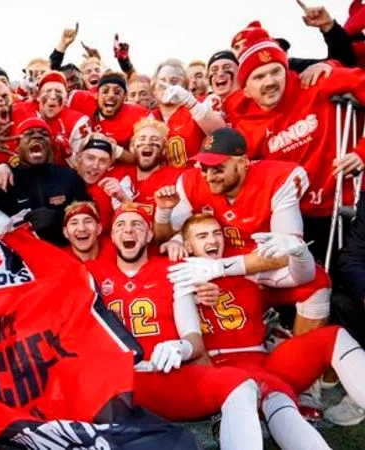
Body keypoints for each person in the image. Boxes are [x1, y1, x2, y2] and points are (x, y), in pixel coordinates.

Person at [89, 203, 264, 450]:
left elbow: (195, 341)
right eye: (121, 225)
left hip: (166, 377)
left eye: (137, 224)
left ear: (149, 235)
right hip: (117, 386)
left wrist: (180, 347)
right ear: (112, 236)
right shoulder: (90, 273)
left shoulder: (173, 270)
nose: (128, 230)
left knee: (241, 384)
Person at [181, 213, 365, 431]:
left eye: (217, 233)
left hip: (263, 362)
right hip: (219, 370)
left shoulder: (243, 268)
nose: (212, 240)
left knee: (333, 336)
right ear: (187, 245)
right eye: (202, 236)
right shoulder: (174, 275)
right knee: (268, 398)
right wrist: (189, 298)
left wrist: (300, 253)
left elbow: (305, 278)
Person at [155, 128, 330, 337]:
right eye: (204, 168)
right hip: (217, 260)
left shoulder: (276, 178)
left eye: (218, 169)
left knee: (317, 285)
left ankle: (301, 353)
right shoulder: (191, 181)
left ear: (244, 162)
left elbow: (284, 252)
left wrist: (219, 268)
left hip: (260, 264)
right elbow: (164, 237)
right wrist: (164, 214)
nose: (209, 177)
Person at [227, 28, 365, 261]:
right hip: (297, 215)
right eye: (259, 77)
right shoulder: (246, 126)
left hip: (347, 202)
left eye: (276, 72)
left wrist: (362, 152)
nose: (270, 82)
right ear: (246, 90)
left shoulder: (316, 81)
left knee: (350, 272)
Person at [0, 116, 90, 245]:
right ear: (17, 146)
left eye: (44, 134)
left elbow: (89, 217)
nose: (37, 136)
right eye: (29, 134)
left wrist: (58, 219)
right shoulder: (3, 179)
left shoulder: (69, 177)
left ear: (50, 144)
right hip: (17, 257)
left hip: (62, 254)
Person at [151, 58, 226, 167]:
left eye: (174, 82)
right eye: (162, 81)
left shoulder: (203, 103)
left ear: (185, 87)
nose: (168, 86)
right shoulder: (148, 117)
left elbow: (221, 133)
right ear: (154, 90)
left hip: (196, 174)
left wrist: (192, 104)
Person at [104, 118, 184, 211]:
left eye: (154, 139)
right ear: (132, 147)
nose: (147, 142)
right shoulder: (116, 174)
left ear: (164, 150)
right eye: (142, 138)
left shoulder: (177, 177)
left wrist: (124, 200)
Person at [68, 70, 149, 150]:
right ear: (96, 94)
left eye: (117, 92)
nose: (111, 95)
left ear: (124, 97)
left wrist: (114, 149)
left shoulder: (138, 115)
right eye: (105, 91)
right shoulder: (79, 99)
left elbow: (139, 155)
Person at [25, 71, 90, 166]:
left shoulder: (78, 122)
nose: (53, 96)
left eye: (58, 92)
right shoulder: (24, 114)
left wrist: (68, 152)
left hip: (63, 173)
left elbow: (85, 167)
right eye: (48, 91)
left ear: (66, 98)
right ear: (38, 96)